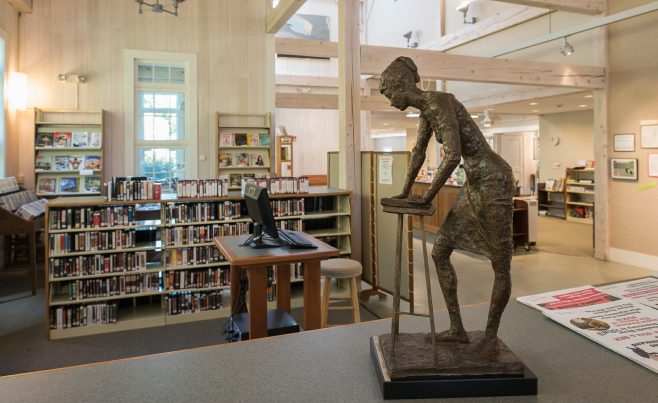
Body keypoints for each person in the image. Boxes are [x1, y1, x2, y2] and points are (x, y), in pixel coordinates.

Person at [380, 56, 516, 343]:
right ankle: (457, 330)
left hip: (493, 180)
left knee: (500, 264)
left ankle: (490, 339)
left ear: (401, 84)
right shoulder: (426, 111)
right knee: (439, 251)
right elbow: (418, 152)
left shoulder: (439, 101)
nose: (390, 101)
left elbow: (453, 155)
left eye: (389, 93)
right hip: (475, 182)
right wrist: (405, 193)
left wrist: (426, 197)